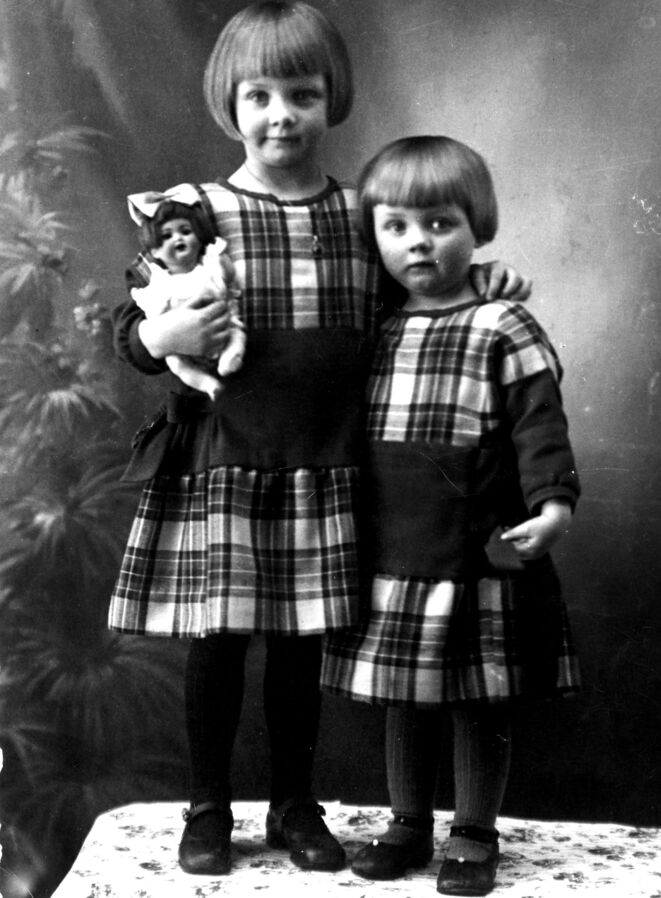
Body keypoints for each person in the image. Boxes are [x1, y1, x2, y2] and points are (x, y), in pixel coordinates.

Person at [107, 1, 531, 879]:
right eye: (259, 96)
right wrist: (157, 336)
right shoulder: (198, 211)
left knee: (301, 654)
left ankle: (294, 804)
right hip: (227, 464)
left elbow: (417, 286)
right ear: (229, 104)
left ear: (331, 99)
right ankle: (208, 807)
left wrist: (477, 278)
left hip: (325, 468)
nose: (281, 115)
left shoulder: (360, 214)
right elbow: (134, 319)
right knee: (218, 646)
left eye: (301, 94)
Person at [321, 135, 580, 896]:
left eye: (440, 223)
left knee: (476, 696)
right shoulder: (374, 327)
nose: (419, 243)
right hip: (395, 551)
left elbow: (540, 424)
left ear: (477, 227)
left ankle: (473, 830)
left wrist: (553, 503)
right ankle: (407, 823)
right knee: (405, 696)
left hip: (474, 552)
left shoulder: (503, 324)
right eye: (396, 226)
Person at [127, 189, 245, 401]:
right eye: (167, 236)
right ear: (155, 251)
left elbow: (227, 278)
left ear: (199, 239)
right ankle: (207, 384)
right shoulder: (161, 282)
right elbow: (154, 313)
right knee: (176, 363)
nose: (178, 238)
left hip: (222, 329)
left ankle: (229, 359)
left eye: (185, 231)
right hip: (184, 347)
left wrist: (221, 259)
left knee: (237, 334)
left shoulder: (207, 268)